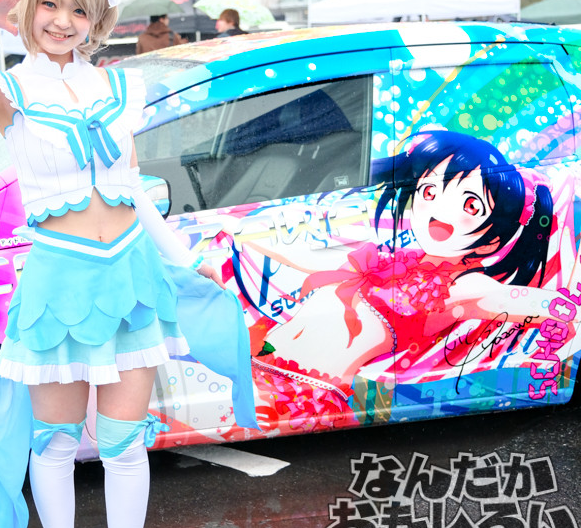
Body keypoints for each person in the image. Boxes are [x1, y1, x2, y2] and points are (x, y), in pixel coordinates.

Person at [0, 0, 253, 528]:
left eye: (79, 8)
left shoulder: (116, 88)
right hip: (60, 288)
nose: (62, 21)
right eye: (49, 3)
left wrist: (187, 260)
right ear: (26, 5)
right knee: (56, 444)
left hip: (130, 281)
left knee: (126, 444)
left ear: (97, 17)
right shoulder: (7, 90)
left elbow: (132, 192)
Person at [235, 130, 562, 431]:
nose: (440, 211)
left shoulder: (463, 286)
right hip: (255, 365)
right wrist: (235, 231)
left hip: (299, 394)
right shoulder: (386, 257)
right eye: (430, 191)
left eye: (470, 204)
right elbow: (311, 260)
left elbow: (526, 302)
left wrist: (562, 312)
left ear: (492, 242)